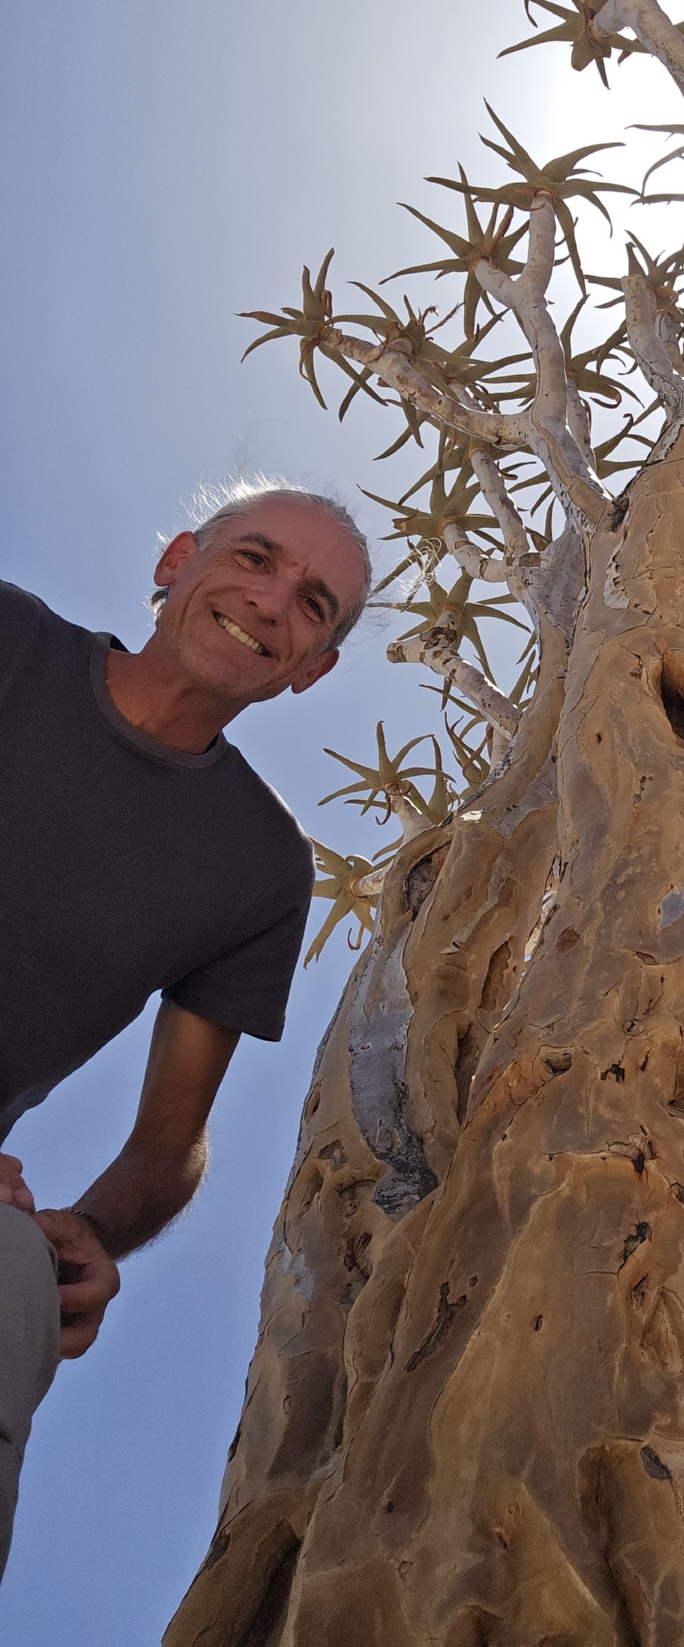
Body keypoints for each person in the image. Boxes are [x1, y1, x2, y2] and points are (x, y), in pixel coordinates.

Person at [0, 476, 371, 1578]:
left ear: (314, 670)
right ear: (176, 563)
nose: (272, 602)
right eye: (254, 558)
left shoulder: (258, 867)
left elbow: (170, 1146)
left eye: (313, 606)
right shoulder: (13, 641)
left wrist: (90, 1236)